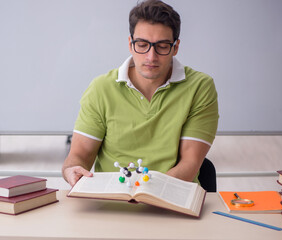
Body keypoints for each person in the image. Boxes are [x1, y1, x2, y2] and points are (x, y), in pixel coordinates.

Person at [62, 0, 219, 187]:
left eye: (162, 46)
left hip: (171, 201)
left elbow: (190, 164)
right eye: (142, 44)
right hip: (111, 203)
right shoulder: (101, 88)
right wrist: (72, 170)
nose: (151, 56)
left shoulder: (200, 87)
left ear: (175, 47)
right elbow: (79, 155)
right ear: (130, 44)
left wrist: (147, 194)